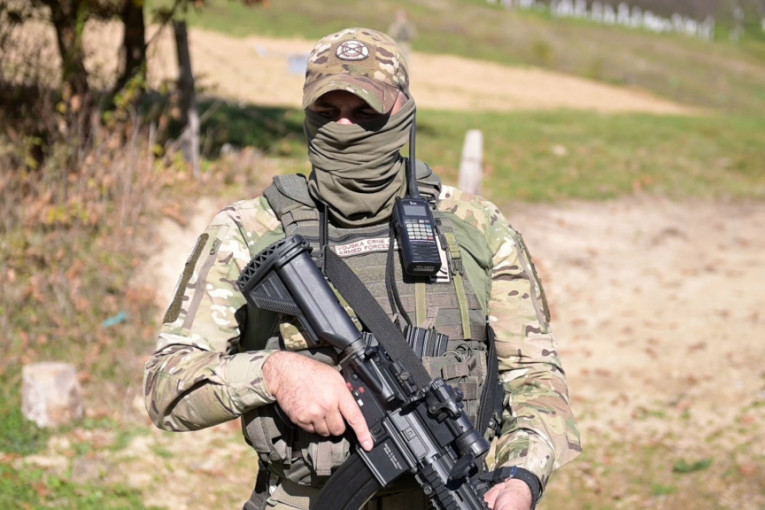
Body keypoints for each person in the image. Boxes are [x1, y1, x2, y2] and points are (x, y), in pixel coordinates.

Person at [144, 27, 581, 510]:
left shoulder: (475, 228)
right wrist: (273, 372)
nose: (344, 126)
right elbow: (166, 386)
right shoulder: (247, 231)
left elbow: (536, 378)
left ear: (403, 112)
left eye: (365, 111)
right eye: (326, 111)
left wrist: (521, 477)